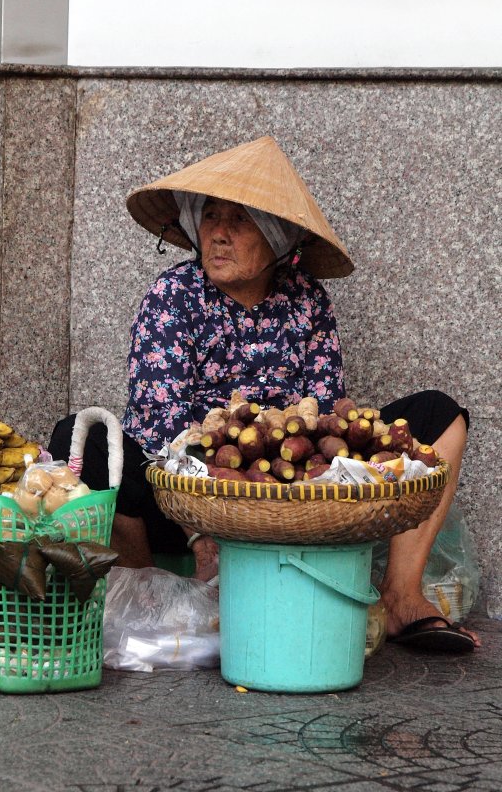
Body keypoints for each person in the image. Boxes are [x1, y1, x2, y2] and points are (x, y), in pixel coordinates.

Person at [49, 136, 478, 652]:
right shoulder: (174, 296)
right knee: (85, 439)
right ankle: (148, 601)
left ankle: (401, 597)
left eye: (239, 221)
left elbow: (325, 419)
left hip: (288, 495)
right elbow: (159, 424)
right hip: (183, 497)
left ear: (276, 239)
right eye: (210, 218)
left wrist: (303, 475)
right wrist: (201, 529)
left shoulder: (307, 302)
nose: (219, 235)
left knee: (439, 414)